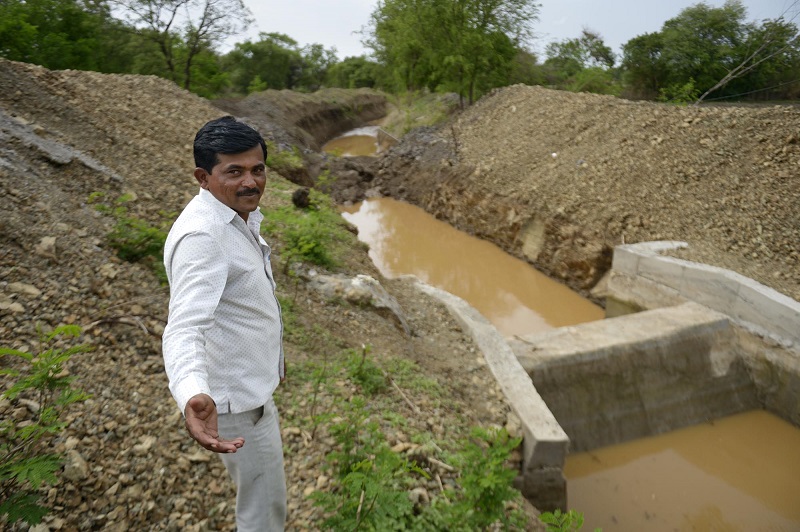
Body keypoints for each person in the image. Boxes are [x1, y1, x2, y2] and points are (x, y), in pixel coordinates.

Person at [162, 116, 287, 531]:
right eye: (234, 171)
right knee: (263, 513)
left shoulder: (237, 216)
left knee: (263, 503)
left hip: (250, 394)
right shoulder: (204, 236)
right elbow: (184, 327)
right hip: (237, 408)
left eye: (257, 169)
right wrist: (192, 392)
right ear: (203, 176)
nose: (251, 182)